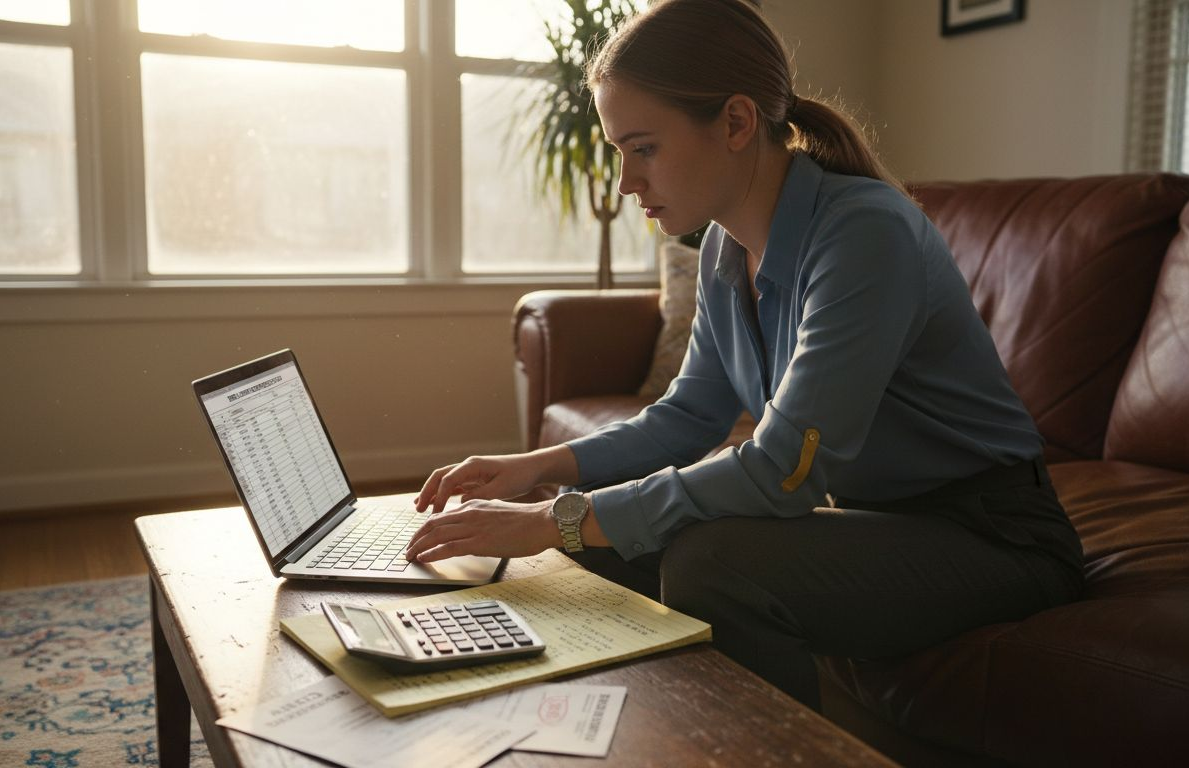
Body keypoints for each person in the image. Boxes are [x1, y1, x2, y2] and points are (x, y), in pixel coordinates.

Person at [406, 0, 1083, 710]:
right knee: (617, 543)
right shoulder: (724, 250)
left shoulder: (864, 236)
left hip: (997, 540)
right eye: (618, 153)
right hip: (884, 521)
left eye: (644, 148)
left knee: (711, 560)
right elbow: (687, 417)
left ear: (735, 122)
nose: (626, 183)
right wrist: (533, 471)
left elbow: (781, 471)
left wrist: (555, 519)